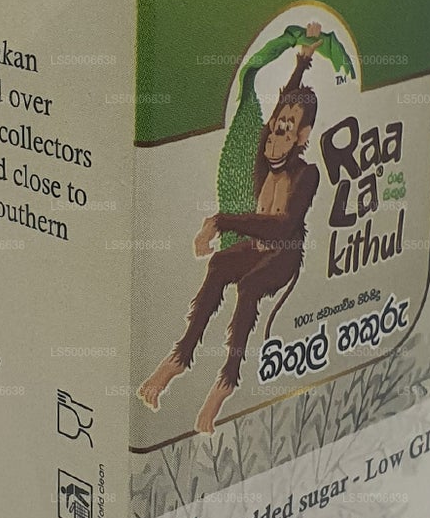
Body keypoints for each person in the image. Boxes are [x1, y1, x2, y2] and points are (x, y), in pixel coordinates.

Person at [139, 33, 327, 434]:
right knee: (221, 264)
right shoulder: (266, 152)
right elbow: (283, 104)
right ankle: (180, 358)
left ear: (302, 136)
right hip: (256, 246)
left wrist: (222, 221)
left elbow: (283, 226)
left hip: (285, 255)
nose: (276, 136)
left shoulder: (306, 175)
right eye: (275, 128)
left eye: (287, 130)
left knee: (249, 285)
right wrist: (301, 60)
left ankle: (226, 382)